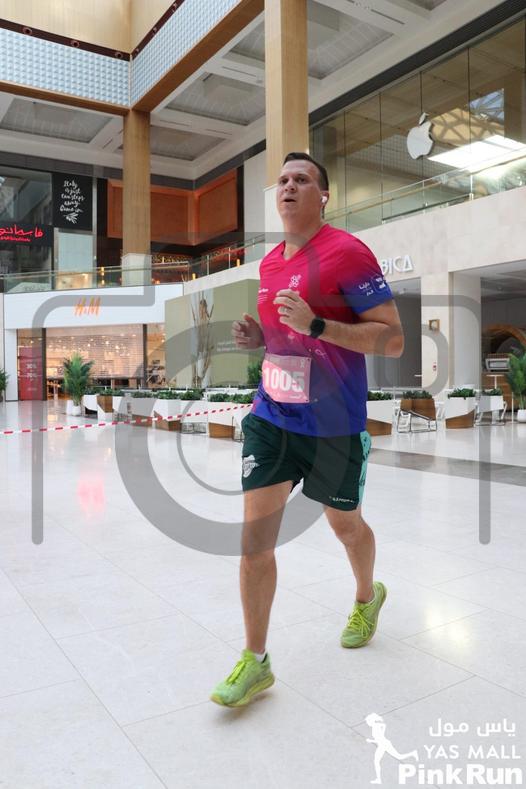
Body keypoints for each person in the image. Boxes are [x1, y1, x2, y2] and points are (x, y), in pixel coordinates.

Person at [210, 152, 404, 707]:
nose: (289, 186)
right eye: (282, 180)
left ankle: (367, 596)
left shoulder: (348, 252)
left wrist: (317, 324)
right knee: (255, 541)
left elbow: (393, 340)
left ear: (324, 196)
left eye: (302, 179)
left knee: (346, 526)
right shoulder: (270, 264)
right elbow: (286, 339)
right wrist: (261, 339)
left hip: (333, 424)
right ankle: (255, 659)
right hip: (273, 415)